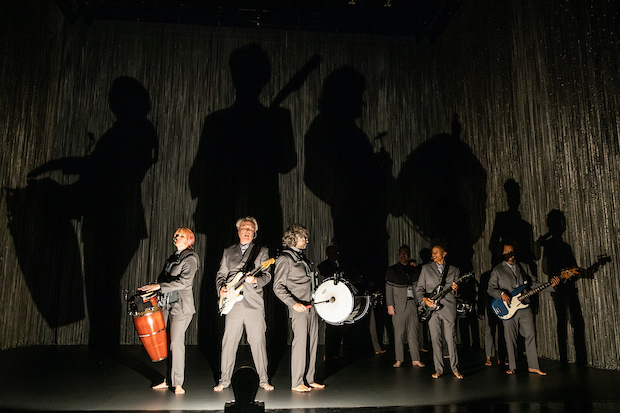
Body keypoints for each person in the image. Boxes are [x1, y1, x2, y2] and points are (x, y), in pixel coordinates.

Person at [214, 217, 274, 392]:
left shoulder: (262, 251)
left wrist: (255, 279)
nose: (247, 231)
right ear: (238, 231)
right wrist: (221, 289)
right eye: (244, 228)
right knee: (229, 342)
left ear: (254, 233)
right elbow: (221, 274)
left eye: (250, 229)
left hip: (254, 303)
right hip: (233, 304)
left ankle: (263, 380)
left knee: (258, 342)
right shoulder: (228, 251)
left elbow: (267, 276)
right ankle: (224, 380)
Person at [138, 227, 199, 395]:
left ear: (189, 240)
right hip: (167, 304)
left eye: (181, 236)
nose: (176, 237)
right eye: (176, 235)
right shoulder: (173, 258)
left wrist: (158, 286)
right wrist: (150, 290)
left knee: (175, 343)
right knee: (166, 343)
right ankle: (168, 380)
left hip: (181, 307)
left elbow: (184, 283)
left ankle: (178, 383)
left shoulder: (191, 258)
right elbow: (162, 279)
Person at [487, 243, 559, 375]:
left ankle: (533, 366)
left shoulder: (524, 266)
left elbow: (534, 284)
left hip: (524, 305)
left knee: (531, 333)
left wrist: (551, 285)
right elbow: (491, 288)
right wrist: (501, 294)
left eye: (511, 251)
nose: (509, 253)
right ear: (502, 254)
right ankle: (513, 366)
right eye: (506, 251)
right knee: (510, 337)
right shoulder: (497, 270)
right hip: (507, 308)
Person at [273, 224, 325, 392]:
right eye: (303, 238)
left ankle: (309, 378)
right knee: (300, 344)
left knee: (313, 344)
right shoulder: (285, 259)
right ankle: (297, 382)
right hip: (299, 308)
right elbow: (277, 287)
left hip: (312, 306)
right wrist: (294, 304)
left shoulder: (301, 258)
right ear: (294, 239)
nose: (306, 241)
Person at [415, 243, 462, 379]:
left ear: (444, 253)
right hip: (432, 308)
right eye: (433, 252)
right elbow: (419, 289)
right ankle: (439, 369)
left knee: (451, 339)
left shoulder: (454, 270)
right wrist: (424, 299)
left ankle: (455, 368)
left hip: (448, 307)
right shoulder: (425, 268)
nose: (434, 254)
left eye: (437, 252)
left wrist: (457, 289)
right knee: (435, 339)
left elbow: (457, 294)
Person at [385, 245, 424, 368]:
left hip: (412, 304)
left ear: (409, 255)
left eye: (406, 253)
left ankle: (415, 359)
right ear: (398, 255)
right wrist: (390, 305)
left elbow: (417, 288)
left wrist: (420, 304)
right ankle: (399, 359)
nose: (403, 255)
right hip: (398, 305)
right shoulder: (392, 270)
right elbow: (388, 289)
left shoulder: (413, 270)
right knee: (399, 334)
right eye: (401, 253)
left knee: (413, 333)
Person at [317, 245, 344, 360]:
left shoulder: (338, 265)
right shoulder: (324, 265)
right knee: (331, 328)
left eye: (336, 253)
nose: (335, 255)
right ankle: (328, 353)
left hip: (338, 297)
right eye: (332, 253)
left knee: (338, 326)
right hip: (328, 297)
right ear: (328, 254)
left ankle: (335, 352)